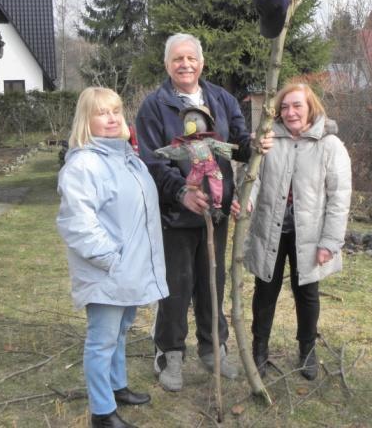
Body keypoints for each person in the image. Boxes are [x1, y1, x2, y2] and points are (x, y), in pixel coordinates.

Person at [135, 33, 273, 392]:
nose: (185, 64)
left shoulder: (221, 99)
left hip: (216, 213)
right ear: (167, 65)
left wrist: (255, 144)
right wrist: (181, 192)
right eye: (177, 59)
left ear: (201, 63)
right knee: (177, 286)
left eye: (190, 58)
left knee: (213, 282)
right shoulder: (154, 106)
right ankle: (170, 354)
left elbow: (237, 146)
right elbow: (151, 161)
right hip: (174, 216)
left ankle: (214, 350)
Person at [57, 87, 168, 428]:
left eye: (115, 111)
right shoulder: (85, 164)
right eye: (101, 113)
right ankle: (101, 412)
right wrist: (111, 259)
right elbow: (78, 223)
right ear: (86, 120)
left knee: (120, 331)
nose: (111, 118)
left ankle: (117, 386)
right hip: (108, 271)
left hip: (129, 269)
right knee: (102, 340)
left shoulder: (127, 157)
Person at [232, 83, 352, 380]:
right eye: (284, 107)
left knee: (307, 293)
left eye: (297, 105)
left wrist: (330, 241)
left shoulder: (329, 144)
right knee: (265, 291)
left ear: (311, 107)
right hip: (269, 231)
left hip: (309, 236)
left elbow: (339, 196)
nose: (290, 112)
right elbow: (251, 177)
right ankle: (259, 350)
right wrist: (244, 200)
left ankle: (307, 350)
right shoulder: (268, 139)